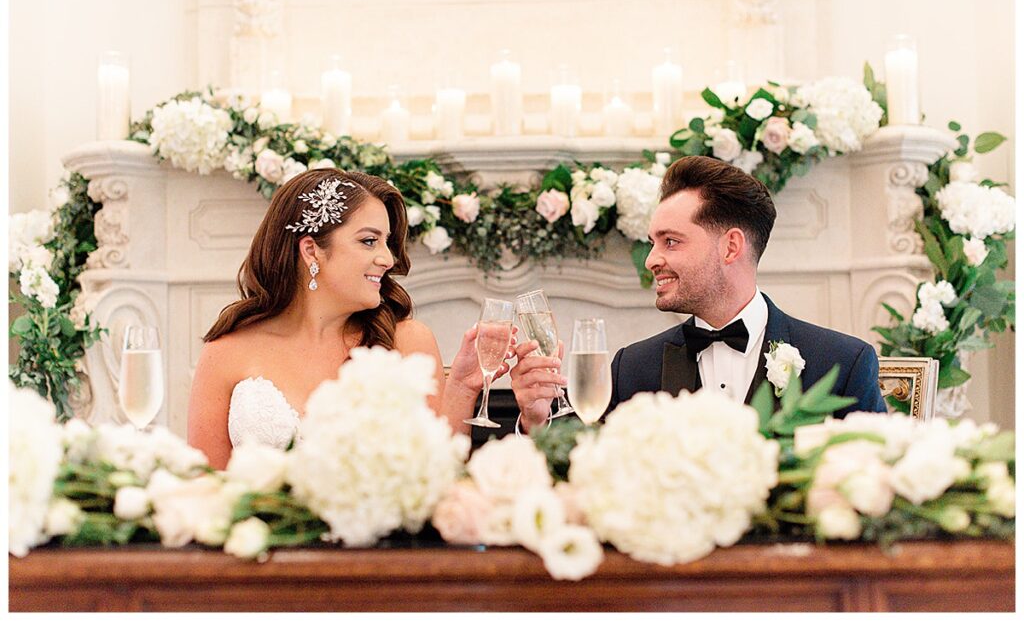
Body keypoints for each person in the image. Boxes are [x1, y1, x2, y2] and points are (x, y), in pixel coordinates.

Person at [512, 155, 886, 430]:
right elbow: (580, 473)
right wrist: (536, 416)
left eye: (671, 242)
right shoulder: (633, 368)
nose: (651, 261)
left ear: (731, 247)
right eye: (652, 243)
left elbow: (875, 493)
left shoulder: (842, 364)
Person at [188, 169, 511, 469]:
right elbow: (205, 492)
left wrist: (463, 390)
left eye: (386, 242)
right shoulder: (225, 353)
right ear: (311, 250)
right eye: (369, 241)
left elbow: (440, 474)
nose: (387, 259)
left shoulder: (408, 341)